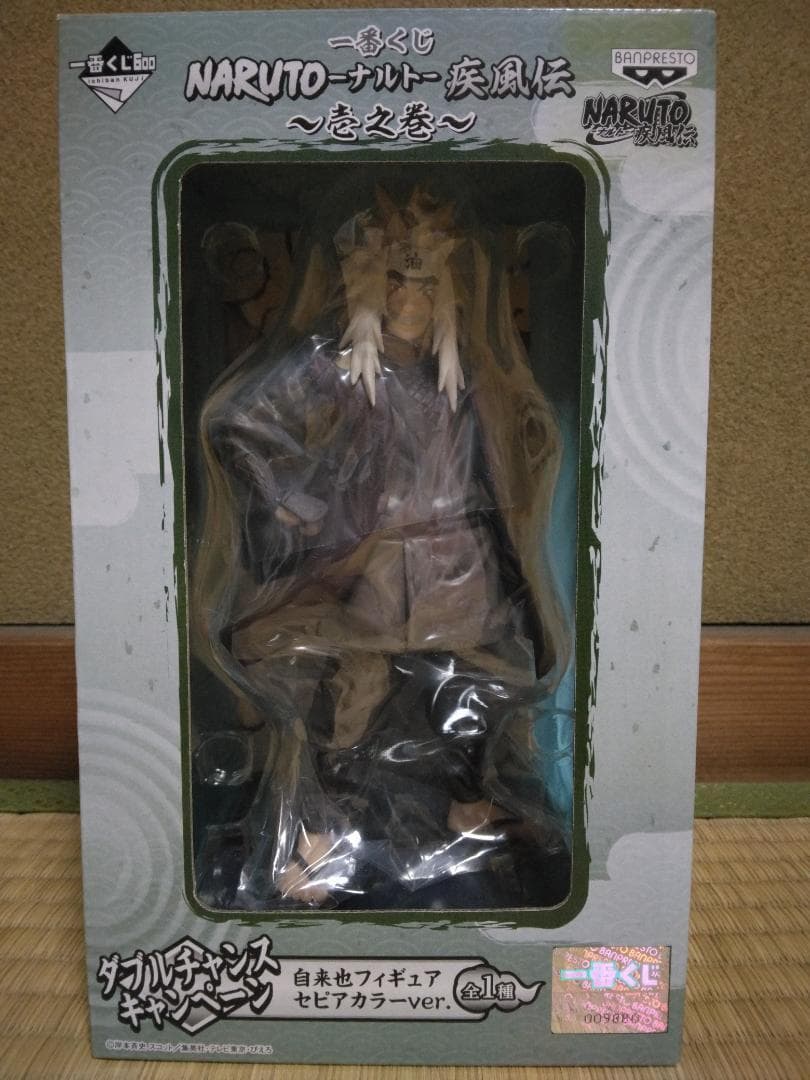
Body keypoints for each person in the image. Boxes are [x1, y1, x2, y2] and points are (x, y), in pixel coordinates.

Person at [193, 184, 569, 910]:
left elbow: (514, 457)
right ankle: (318, 835)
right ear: (370, 286)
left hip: (459, 570)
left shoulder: (466, 379)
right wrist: (293, 503)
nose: (409, 298)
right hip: (371, 571)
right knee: (349, 706)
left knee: (474, 692)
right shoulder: (335, 371)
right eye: (396, 280)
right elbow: (237, 423)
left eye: (425, 284)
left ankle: (467, 810)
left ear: (447, 293)